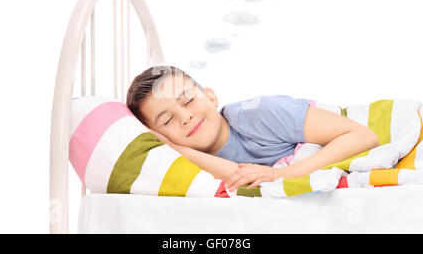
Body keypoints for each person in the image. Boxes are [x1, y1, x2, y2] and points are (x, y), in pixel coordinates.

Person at [126, 65, 378, 192]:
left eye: (189, 100)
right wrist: (170, 145)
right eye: (167, 121)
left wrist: (284, 175)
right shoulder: (180, 163)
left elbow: (362, 135)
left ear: (211, 97)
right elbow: (238, 175)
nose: (185, 117)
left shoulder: (258, 114)